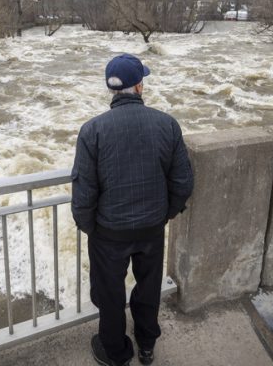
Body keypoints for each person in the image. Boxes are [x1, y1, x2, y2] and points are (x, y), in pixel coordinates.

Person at [71, 53, 194, 366]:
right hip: (151, 227)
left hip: (108, 232)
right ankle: (147, 343)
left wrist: (91, 227)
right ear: (139, 86)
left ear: (112, 90)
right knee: (149, 285)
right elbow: (182, 181)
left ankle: (115, 352)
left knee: (110, 293)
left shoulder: (91, 131)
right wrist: (165, 213)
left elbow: (84, 192)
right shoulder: (167, 124)